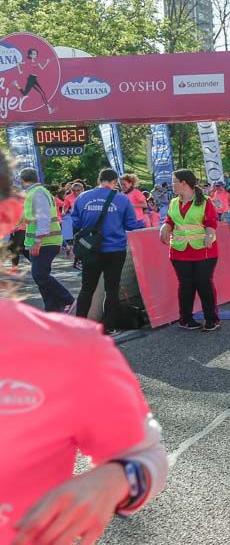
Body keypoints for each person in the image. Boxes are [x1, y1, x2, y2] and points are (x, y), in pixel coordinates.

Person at [0, 151, 168, 545]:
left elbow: (146, 457)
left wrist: (112, 480)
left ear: (7, 216)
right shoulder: (120, 198)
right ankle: (104, 318)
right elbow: (131, 225)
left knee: (94, 290)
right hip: (109, 250)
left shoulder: (72, 351)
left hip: (93, 255)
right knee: (104, 291)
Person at [71, 169, 146, 334]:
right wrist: (144, 224)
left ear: (99, 180)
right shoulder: (122, 199)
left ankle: (79, 325)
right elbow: (131, 225)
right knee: (111, 289)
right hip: (115, 250)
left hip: (90, 249)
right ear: (114, 181)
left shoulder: (83, 197)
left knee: (87, 288)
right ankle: (108, 326)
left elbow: (75, 222)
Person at [159, 169, 221, 332]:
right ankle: (185, 319)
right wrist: (165, 227)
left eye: (174, 181)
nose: (172, 184)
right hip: (179, 250)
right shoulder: (174, 202)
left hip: (203, 250)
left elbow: (212, 222)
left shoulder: (205, 201)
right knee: (185, 285)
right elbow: (170, 219)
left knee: (203, 284)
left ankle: (211, 319)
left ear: (184, 183)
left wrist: (209, 235)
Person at [19, 167, 74, 312]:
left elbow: (43, 218)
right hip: (44, 241)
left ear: (22, 180)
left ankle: (67, 299)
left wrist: (38, 241)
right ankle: (52, 308)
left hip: (44, 242)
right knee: (41, 276)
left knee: (40, 275)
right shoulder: (37, 192)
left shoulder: (37, 193)